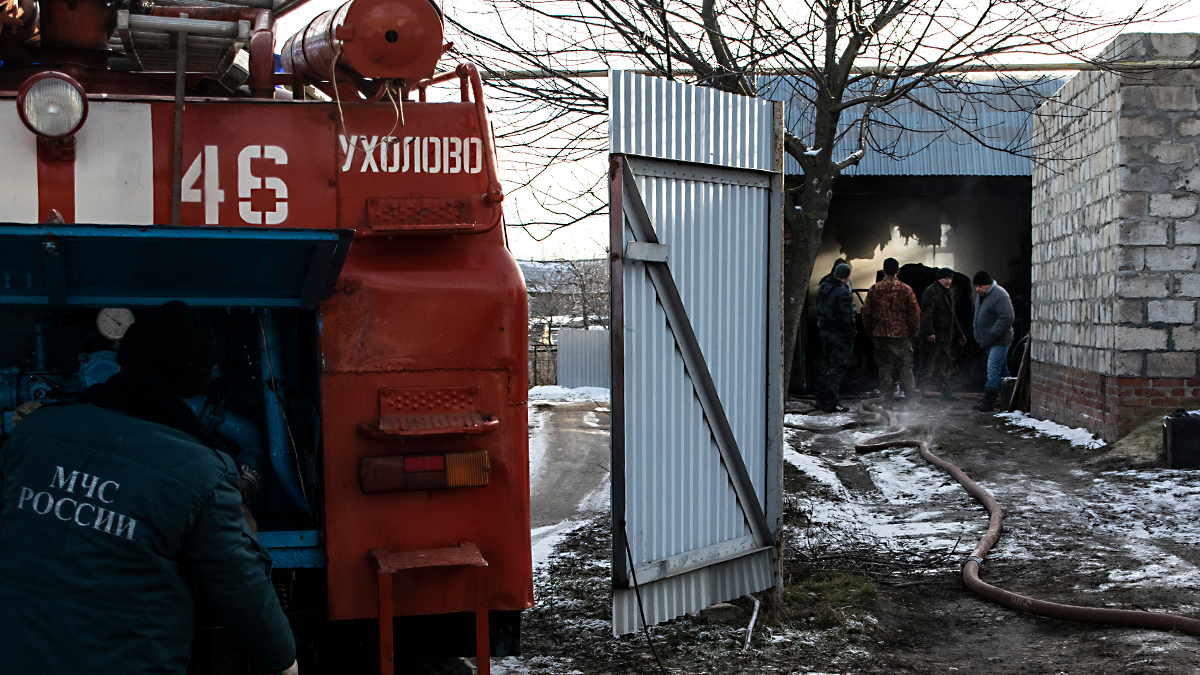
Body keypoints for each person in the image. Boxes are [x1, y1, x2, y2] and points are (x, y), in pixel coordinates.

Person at [0, 301, 298, 675]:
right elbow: (238, 585)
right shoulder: (201, 472)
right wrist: (283, 659)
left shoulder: (31, 434)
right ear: (194, 389)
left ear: (121, 364)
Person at [862, 258, 920, 406]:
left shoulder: (874, 289)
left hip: (880, 336)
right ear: (898, 271)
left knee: (885, 368)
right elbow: (914, 313)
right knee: (906, 368)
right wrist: (913, 332)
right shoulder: (907, 290)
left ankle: (888, 402)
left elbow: (866, 312)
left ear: (883, 271)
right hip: (902, 336)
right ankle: (911, 401)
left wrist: (870, 331)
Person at [920, 267, 966, 400]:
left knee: (944, 366)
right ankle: (919, 393)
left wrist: (959, 334)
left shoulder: (948, 293)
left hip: (945, 337)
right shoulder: (931, 292)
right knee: (928, 365)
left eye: (950, 278)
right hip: (935, 337)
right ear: (939, 278)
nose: (948, 281)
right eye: (945, 278)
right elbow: (926, 314)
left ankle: (946, 393)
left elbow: (952, 316)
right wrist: (929, 332)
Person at [972, 270, 1016, 412]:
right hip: (989, 340)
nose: (978, 289)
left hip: (999, 340)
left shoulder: (1000, 295)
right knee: (1002, 370)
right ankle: (1010, 399)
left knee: (992, 368)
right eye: (976, 286)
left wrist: (992, 334)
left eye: (981, 286)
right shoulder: (982, 296)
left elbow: (1007, 318)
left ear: (989, 284)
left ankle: (989, 401)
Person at [816, 263, 856, 413]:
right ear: (846, 276)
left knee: (825, 365)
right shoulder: (842, 291)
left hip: (825, 331)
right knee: (837, 367)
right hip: (839, 334)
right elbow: (847, 316)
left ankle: (821, 398)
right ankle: (833, 401)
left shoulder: (823, 287)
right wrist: (851, 333)